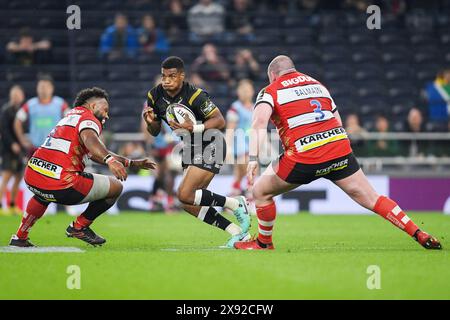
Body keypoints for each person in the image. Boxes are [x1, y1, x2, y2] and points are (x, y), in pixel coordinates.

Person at [234, 55, 441, 250]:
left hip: (305, 155)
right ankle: (418, 233)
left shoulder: (270, 90)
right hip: (339, 150)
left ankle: (263, 243)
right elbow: (338, 122)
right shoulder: (318, 85)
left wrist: (253, 158)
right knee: (372, 198)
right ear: (294, 70)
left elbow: (259, 123)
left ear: (272, 75)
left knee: (260, 192)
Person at [8, 87, 156, 247]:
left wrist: (130, 162)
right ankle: (79, 226)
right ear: (93, 106)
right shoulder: (89, 119)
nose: (107, 115)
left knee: (42, 196)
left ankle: (20, 236)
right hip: (62, 183)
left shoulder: (71, 115)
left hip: (34, 175)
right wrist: (110, 160)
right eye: (105, 109)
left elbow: (93, 153)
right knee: (116, 188)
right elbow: (90, 139)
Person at [142, 56, 251, 247]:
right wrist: (150, 123)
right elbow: (155, 130)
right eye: (163, 76)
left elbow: (220, 121)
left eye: (172, 76)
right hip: (189, 147)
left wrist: (194, 128)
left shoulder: (195, 95)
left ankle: (235, 204)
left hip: (211, 142)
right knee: (188, 203)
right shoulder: (154, 96)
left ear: (182, 76)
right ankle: (237, 232)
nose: (166, 80)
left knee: (184, 194)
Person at [14, 75, 69, 157]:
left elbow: (72, 119)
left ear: (52, 88)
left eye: (47, 87)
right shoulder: (30, 104)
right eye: (42, 87)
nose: (44, 90)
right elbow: (17, 120)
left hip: (55, 149)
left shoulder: (60, 103)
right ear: (37, 88)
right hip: (35, 150)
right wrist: (22, 140)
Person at [225, 79, 254, 197]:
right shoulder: (235, 108)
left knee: (242, 171)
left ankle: (235, 191)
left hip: (252, 141)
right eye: (242, 90)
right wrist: (228, 147)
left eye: (247, 90)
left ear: (252, 92)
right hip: (240, 143)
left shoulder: (255, 107)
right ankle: (249, 191)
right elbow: (230, 129)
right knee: (247, 163)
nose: (245, 93)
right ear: (238, 92)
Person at [0, 86, 26, 216]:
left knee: (18, 177)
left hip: (20, 149)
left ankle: (12, 205)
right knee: (6, 177)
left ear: (22, 96)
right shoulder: (6, 111)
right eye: (14, 95)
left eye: (18, 94)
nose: (16, 97)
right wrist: (12, 144)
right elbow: (4, 131)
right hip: (8, 150)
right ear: (11, 96)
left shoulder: (22, 111)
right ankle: (0, 205)